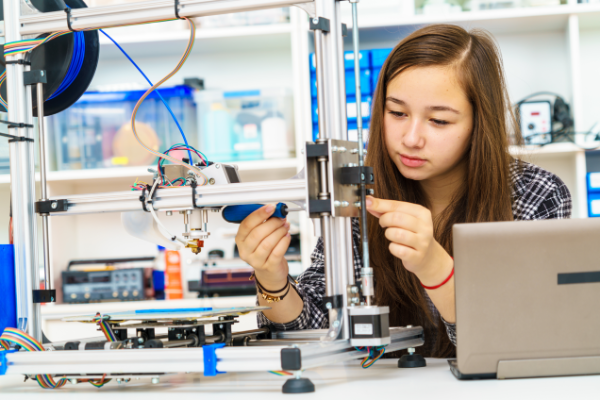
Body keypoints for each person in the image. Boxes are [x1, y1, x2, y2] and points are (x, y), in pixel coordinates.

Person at [235, 24, 572, 358]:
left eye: (439, 121)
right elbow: (316, 325)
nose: (411, 138)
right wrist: (271, 276)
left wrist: (434, 266)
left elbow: (525, 340)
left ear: (479, 123)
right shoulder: (360, 192)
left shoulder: (536, 194)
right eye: (397, 112)